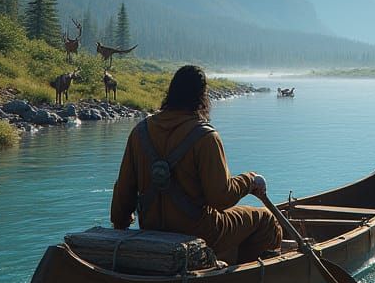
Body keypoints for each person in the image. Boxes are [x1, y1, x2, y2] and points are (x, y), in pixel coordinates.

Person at [110, 65, 281, 263]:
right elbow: (221, 197)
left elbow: (124, 190)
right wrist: (251, 180)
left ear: (171, 93)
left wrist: (120, 228)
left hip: (151, 227)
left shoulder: (140, 132)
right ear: (202, 97)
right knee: (265, 219)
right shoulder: (205, 137)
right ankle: (243, 279)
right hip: (199, 231)